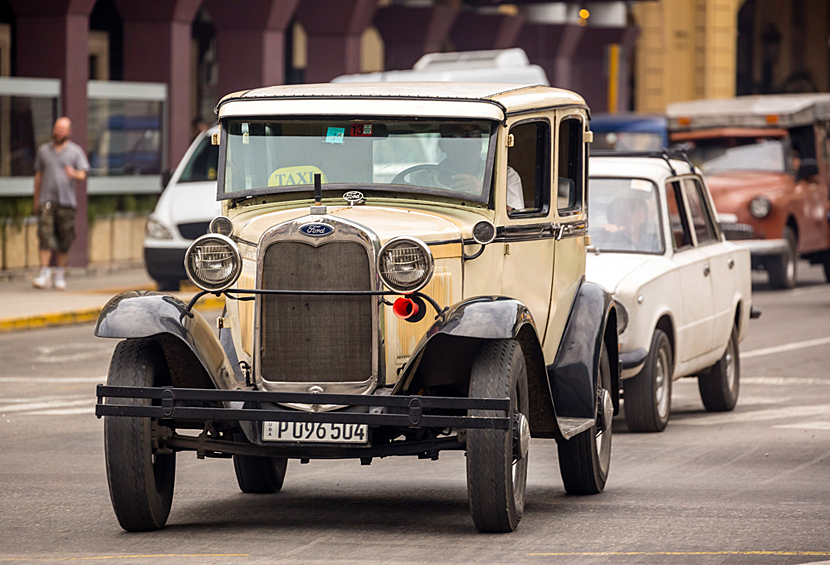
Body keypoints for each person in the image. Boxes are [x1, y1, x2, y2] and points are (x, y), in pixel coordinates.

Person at [32, 117, 90, 290]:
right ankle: (44, 273)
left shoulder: (75, 151)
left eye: (62, 129)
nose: (58, 132)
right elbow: (38, 176)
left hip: (66, 202)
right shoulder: (43, 150)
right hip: (46, 200)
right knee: (45, 235)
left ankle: (59, 274)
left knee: (64, 238)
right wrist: (36, 198)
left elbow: (83, 174)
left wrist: (73, 173)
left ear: (68, 132)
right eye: (57, 128)